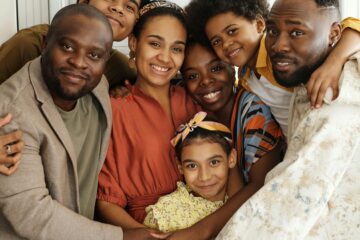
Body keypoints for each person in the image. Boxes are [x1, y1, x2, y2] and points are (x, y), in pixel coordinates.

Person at [0, 4, 154, 240]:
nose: (79, 62)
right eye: (67, 46)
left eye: (94, 55)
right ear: (45, 44)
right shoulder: (12, 115)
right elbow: (32, 215)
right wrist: (124, 237)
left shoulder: (101, 82)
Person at [214, 0, 360, 239]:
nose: (278, 45)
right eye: (273, 32)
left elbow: (294, 195)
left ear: (334, 33)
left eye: (296, 32)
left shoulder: (336, 89)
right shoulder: (253, 84)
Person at [150, 34, 284, 240]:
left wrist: (197, 233)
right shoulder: (191, 108)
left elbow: (262, 186)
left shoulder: (253, 111)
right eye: (193, 76)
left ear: (233, 66)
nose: (206, 81)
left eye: (215, 68)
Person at [185, 0, 360, 137]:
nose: (227, 44)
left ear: (260, 25)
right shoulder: (245, 77)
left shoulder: (280, 57)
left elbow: (352, 24)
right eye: (217, 41)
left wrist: (334, 62)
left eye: (232, 31)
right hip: (291, 144)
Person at [96, 0, 200, 229]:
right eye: (155, 44)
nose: (165, 57)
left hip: (209, 221)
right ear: (134, 43)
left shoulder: (193, 99)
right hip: (146, 228)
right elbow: (106, 202)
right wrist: (147, 235)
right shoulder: (114, 109)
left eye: (176, 48)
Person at [0, 0, 141, 87]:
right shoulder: (30, 43)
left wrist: (124, 93)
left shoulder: (121, 68)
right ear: (84, 2)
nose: (118, 8)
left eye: (129, 7)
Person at [143, 111, 237, 232]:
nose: (204, 177)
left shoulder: (246, 200)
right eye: (192, 165)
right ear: (180, 166)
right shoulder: (164, 214)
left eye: (214, 162)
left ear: (231, 159)